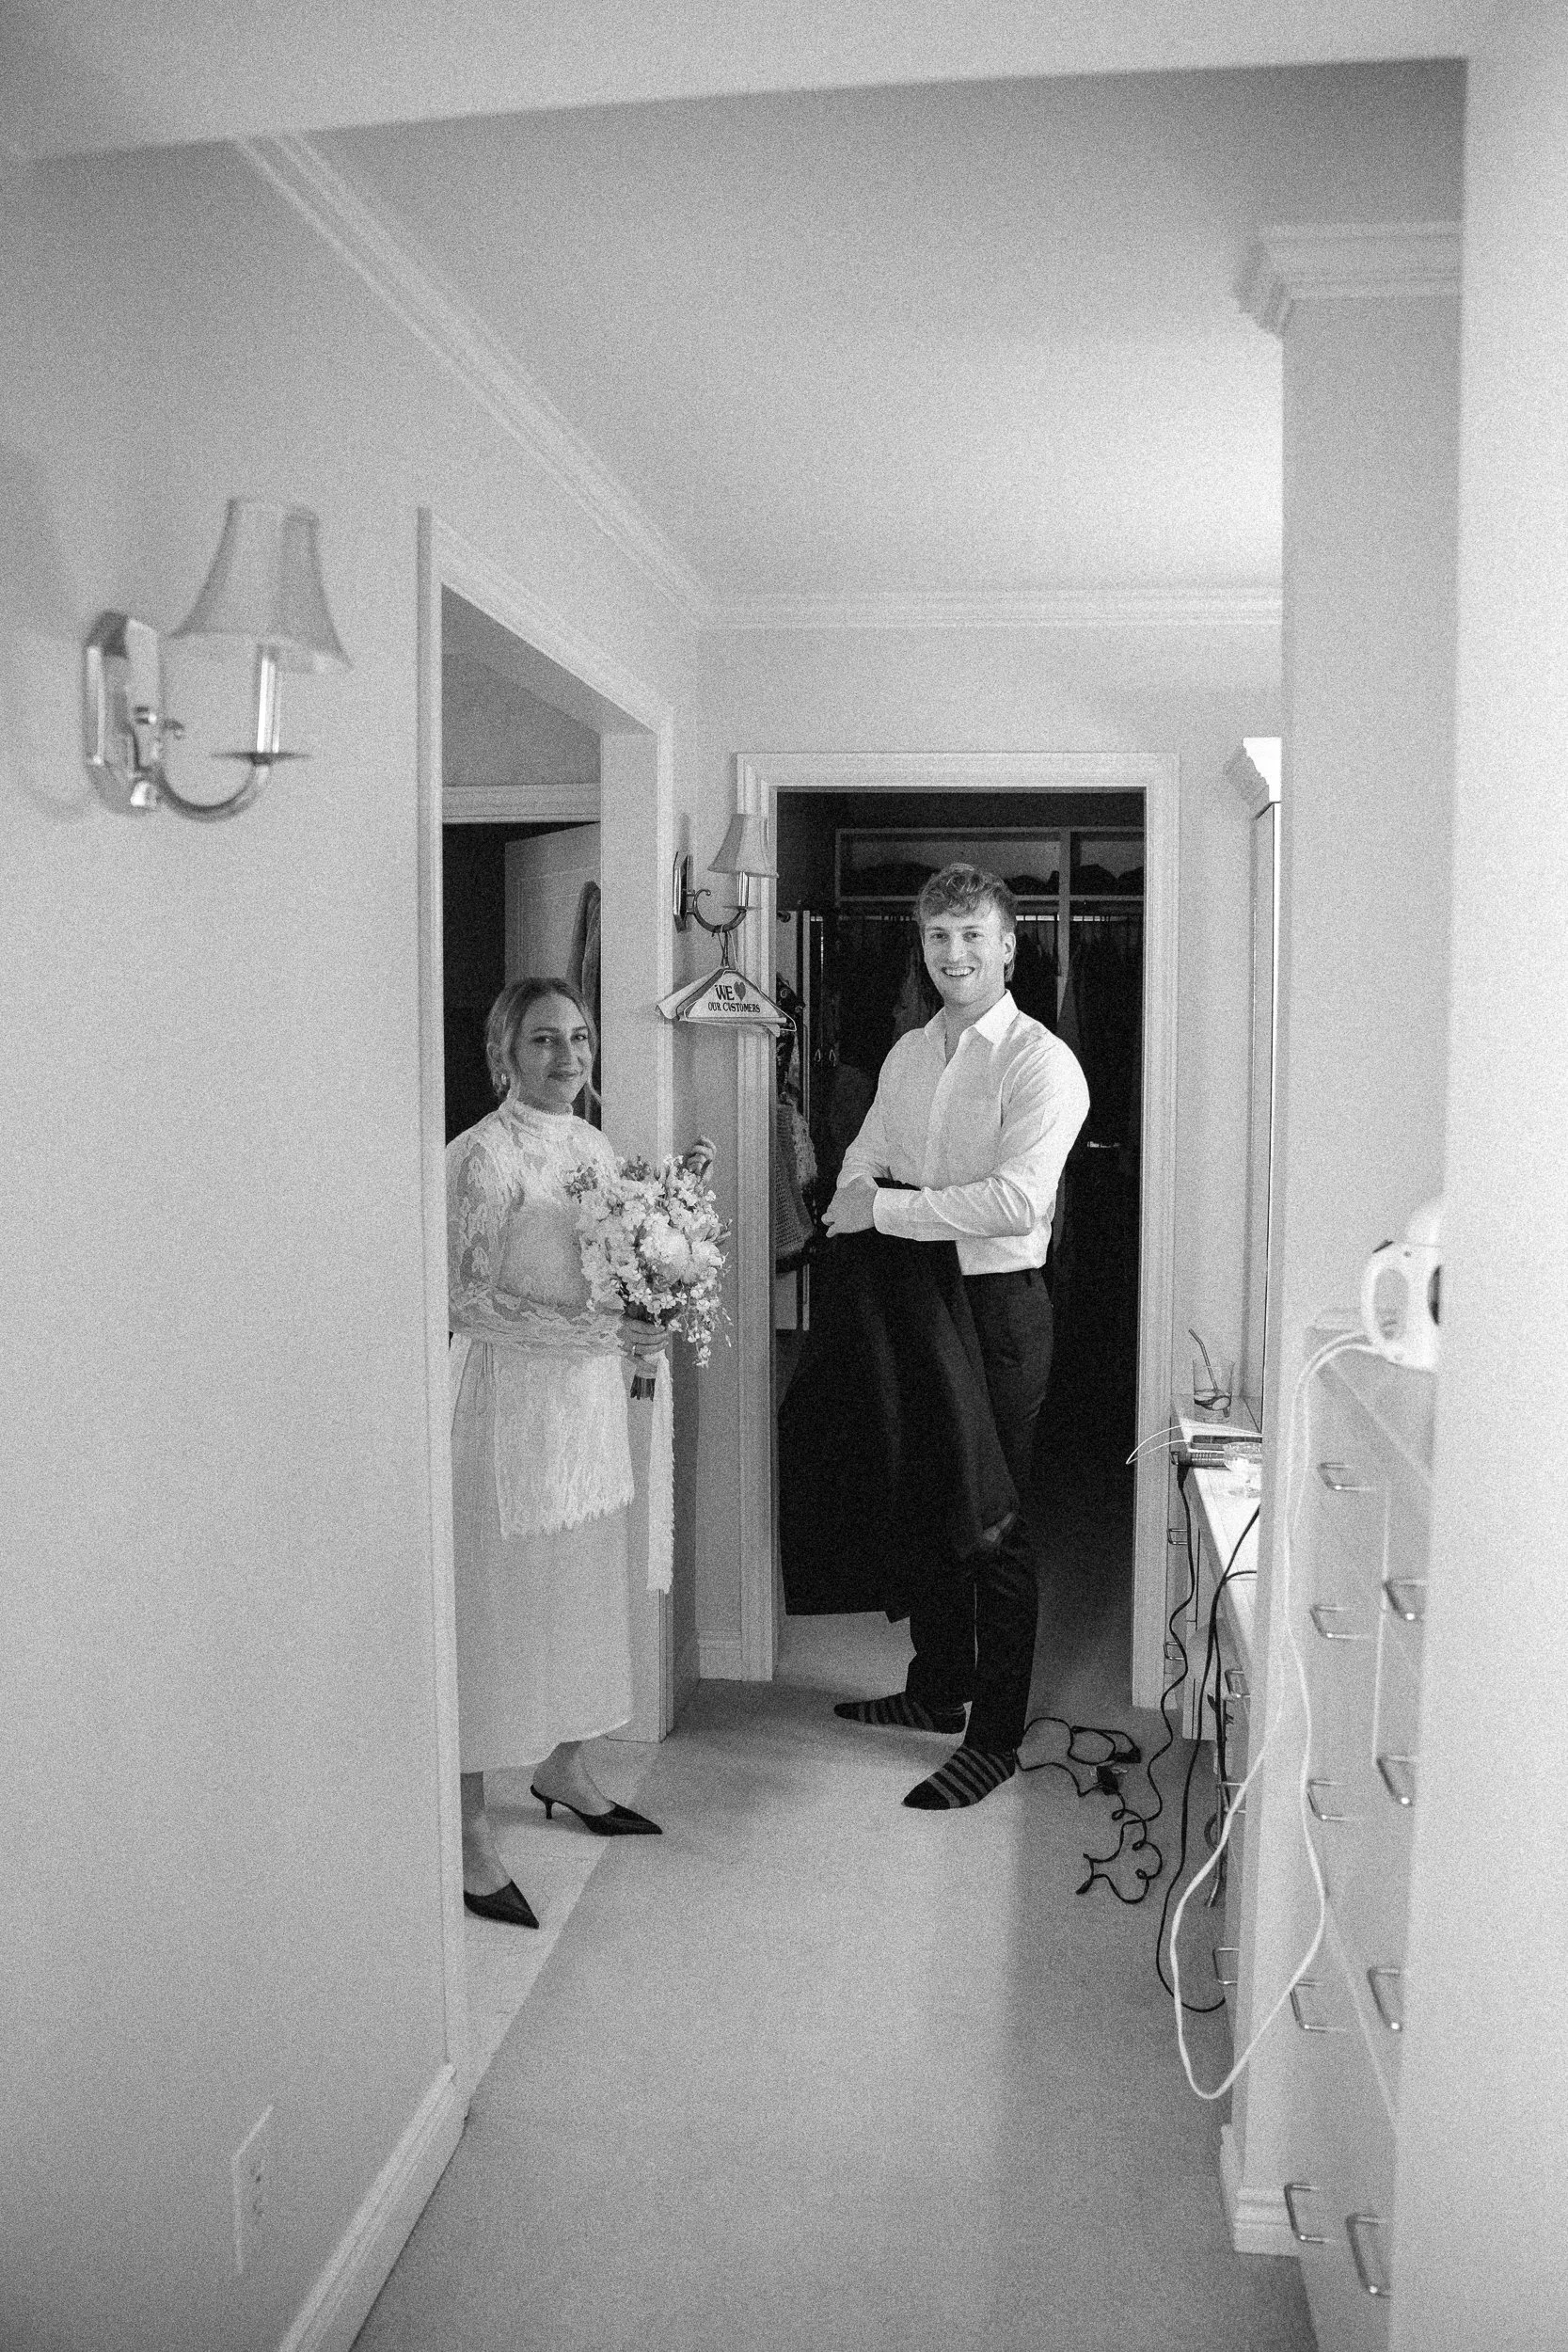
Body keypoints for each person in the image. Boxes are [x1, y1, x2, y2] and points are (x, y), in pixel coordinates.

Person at [822, 864, 1089, 1810]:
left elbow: (1016, 1200)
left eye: (973, 935)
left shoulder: (1039, 1062)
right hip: (916, 1295)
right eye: (938, 936)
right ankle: (938, 1687)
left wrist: (882, 1210)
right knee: (927, 1487)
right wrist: (858, 1192)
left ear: (1008, 945)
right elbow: (866, 1151)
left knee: (994, 1519)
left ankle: (994, 1736)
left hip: (999, 1304)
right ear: (921, 945)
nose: (954, 953)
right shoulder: (906, 1055)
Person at [447, 976, 708, 1927]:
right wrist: (595, 1334)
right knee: (490, 1606)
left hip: (586, 1414)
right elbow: (465, 1301)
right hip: (506, 1413)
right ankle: (468, 1822)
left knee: (576, 1590)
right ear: (503, 1056)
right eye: (543, 1042)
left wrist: (646, 1312)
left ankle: (565, 1764)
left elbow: (612, 1272)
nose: (567, 1057)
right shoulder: (482, 1157)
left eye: (579, 1038)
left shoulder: (595, 1148)